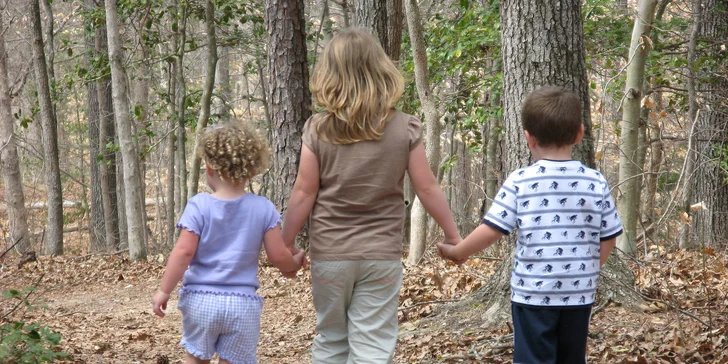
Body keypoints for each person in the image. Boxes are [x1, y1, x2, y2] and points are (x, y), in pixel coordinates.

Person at [281, 28, 461, 363]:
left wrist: (286, 243)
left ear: (329, 75)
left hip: (331, 255)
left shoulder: (317, 129)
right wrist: (453, 236)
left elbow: (304, 191)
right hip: (381, 255)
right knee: (373, 345)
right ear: (382, 70)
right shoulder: (405, 127)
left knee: (331, 338)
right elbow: (427, 187)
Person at [438, 87, 623, 364]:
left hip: (533, 294)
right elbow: (609, 236)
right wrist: (589, 269)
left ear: (529, 138)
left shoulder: (521, 180)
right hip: (579, 294)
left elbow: (492, 230)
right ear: (580, 133)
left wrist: (458, 251)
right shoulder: (595, 181)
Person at [151, 122, 305, 364]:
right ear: (251, 170)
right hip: (242, 305)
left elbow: (183, 252)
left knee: (196, 358)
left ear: (210, 168)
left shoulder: (199, 206)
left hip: (201, 301)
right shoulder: (263, 208)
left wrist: (164, 290)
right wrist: (293, 264)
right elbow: (278, 256)